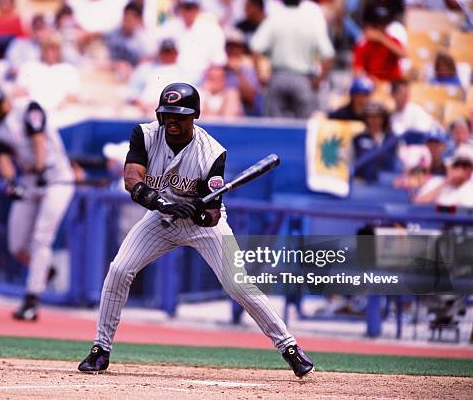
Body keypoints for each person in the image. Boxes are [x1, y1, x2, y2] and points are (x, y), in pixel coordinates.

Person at [77, 82, 315, 379]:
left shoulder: (212, 153)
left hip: (202, 227)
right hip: (159, 218)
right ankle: (101, 350)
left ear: (194, 117)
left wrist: (198, 212)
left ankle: (290, 348)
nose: (172, 122)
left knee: (238, 284)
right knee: (119, 269)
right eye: (168, 115)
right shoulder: (146, 134)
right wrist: (160, 202)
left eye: (180, 116)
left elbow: (212, 214)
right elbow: (131, 179)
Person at [0, 82, 76, 321]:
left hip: (56, 176)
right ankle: (45, 270)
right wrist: (11, 182)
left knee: (42, 237)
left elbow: (38, 139)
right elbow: (3, 159)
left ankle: (31, 300)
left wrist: (40, 171)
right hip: (30, 179)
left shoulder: (28, 107)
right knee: (17, 246)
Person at [250, 0, 334, 118]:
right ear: (301, 0)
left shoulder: (275, 18)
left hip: (278, 79)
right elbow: (328, 54)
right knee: (303, 130)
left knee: (274, 130)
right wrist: (319, 80)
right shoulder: (309, 21)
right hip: (303, 81)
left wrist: (260, 75)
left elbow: (255, 47)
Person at [352, 4, 406, 82]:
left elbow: (403, 54)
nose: (383, 26)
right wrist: (370, 80)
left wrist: (382, 39)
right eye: (379, 24)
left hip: (393, 84)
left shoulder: (390, 40)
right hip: (373, 85)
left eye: (385, 23)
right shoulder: (363, 44)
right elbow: (358, 72)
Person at [352, 101, 398, 183]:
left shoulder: (392, 139)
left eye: (377, 116)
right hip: (361, 182)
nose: (373, 120)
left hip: (386, 182)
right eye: (370, 116)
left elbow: (395, 163)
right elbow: (352, 161)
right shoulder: (358, 139)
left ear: (383, 118)